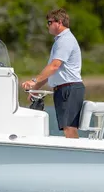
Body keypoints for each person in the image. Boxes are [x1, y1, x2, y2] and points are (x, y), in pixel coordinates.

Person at [22, 8, 85, 138]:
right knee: (67, 128)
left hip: (70, 88)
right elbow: (51, 70)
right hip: (64, 89)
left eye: (50, 22)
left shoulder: (65, 40)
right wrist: (35, 88)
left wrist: (34, 81)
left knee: (69, 128)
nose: (47, 25)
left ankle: (76, 157)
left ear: (59, 22)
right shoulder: (60, 41)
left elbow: (54, 67)